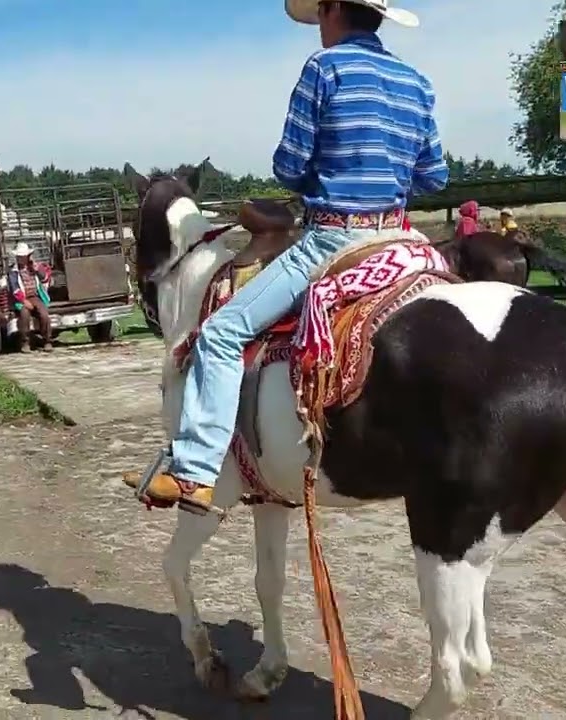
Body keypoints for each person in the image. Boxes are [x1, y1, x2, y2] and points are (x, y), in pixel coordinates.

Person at [140, 0, 447, 512]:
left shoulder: (323, 69)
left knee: (221, 333)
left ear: (330, 11)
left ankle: (195, 471)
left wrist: (322, 175)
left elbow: (288, 164)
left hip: (336, 239)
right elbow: (434, 177)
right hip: (403, 243)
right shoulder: (417, 80)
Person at [6, 242, 54, 352]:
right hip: (22, 298)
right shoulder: (13, 272)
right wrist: (24, 301)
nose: (20, 259)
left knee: (44, 314)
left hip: (35, 296)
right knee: (24, 315)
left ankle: (47, 340)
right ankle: (25, 342)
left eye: (22, 257)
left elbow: (45, 278)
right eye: (19, 257)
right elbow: (15, 289)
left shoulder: (34, 267)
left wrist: (37, 269)